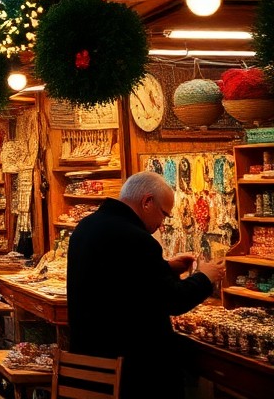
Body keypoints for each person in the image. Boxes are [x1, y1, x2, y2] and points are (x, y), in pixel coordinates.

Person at [68, 171, 223, 398]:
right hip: (133, 370)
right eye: (164, 214)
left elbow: (122, 279)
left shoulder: (87, 226)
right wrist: (205, 277)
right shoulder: (136, 238)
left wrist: (167, 268)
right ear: (147, 202)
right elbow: (172, 300)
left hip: (91, 360)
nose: (161, 224)